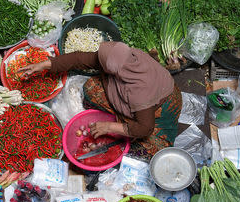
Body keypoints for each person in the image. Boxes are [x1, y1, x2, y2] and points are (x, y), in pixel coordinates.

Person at [19, 41, 182, 159]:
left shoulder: (139, 91)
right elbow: (79, 59)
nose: (98, 61)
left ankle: (123, 121)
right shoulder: (123, 56)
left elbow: (145, 128)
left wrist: (109, 127)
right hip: (137, 99)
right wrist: (45, 64)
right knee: (91, 89)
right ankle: (123, 118)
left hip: (159, 107)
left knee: (147, 149)